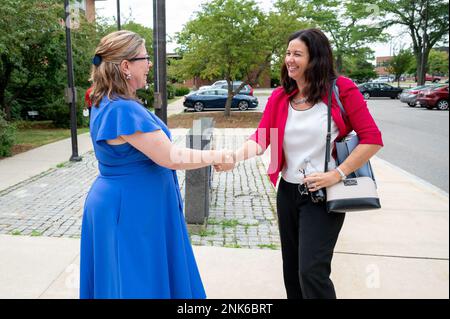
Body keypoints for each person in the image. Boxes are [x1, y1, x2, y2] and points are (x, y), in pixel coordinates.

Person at [215, 28, 383, 299]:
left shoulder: (341, 90)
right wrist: (233, 157)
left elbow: (372, 139)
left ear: (315, 58)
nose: (289, 59)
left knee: (311, 271)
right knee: (292, 271)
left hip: (322, 194)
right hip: (288, 192)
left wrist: (337, 174)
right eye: (288, 53)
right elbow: (261, 138)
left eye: (297, 54)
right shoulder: (282, 96)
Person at [80, 30, 235, 299]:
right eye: (145, 58)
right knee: (136, 284)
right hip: (131, 210)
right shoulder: (121, 109)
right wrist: (217, 156)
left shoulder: (106, 101)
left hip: (132, 204)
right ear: (126, 66)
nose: (150, 64)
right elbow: (170, 157)